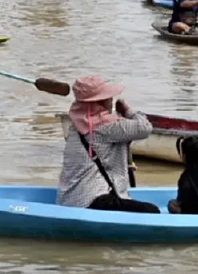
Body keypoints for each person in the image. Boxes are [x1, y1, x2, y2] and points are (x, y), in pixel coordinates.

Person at [56, 75, 159, 213]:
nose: (111, 100)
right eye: (108, 97)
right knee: (152, 211)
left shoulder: (76, 125)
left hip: (69, 199)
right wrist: (128, 111)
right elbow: (145, 128)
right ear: (100, 102)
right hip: (93, 200)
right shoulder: (106, 126)